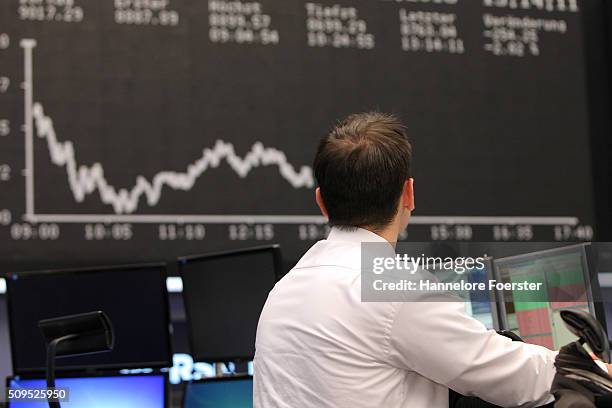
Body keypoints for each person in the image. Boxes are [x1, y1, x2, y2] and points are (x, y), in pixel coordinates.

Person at [253, 112, 561, 407]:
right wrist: (596, 369)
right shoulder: (394, 291)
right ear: (409, 195)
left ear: (321, 201)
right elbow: (520, 379)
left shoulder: (281, 291)